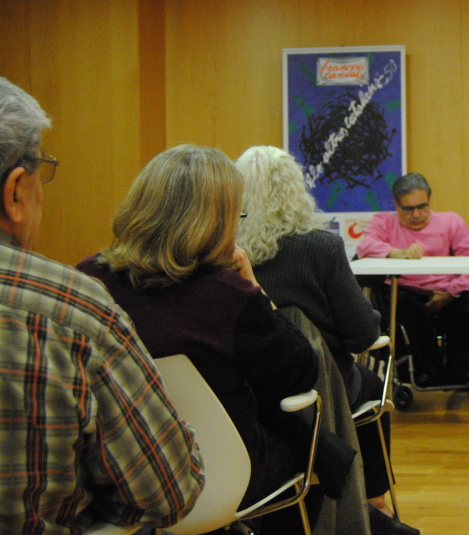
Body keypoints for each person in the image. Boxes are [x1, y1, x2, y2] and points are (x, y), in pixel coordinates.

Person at [76, 144, 327, 534]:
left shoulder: (87, 280)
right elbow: (300, 374)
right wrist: (255, 287)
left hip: (114, 476)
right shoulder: (230, 296)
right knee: (313, 454)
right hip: (222, 477)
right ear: (216, 222)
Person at [0, 77, 203, 533]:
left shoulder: (92, 275)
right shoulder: (72, 308)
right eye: (41, 173)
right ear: (14, 192)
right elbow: (169, 491)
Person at [235, 145, 418, 535]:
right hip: (321, 388)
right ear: (294, 190)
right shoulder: (322, 246)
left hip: (250, 392)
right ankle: (375, 498)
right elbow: (363, 335)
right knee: (372, 385)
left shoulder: (226, 254)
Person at [357, 173, 469, 388]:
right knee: (401, 305)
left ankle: (460, 370)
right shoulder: (385, 222)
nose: (416, 214)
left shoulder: (451, 221)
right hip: (405, 292)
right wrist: (396, 253)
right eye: (408, 209)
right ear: (397, 205)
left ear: (429, 199)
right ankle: (425, 371)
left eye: (422, 206)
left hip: (447, 291)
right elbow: (365, 246)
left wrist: (451, 292)